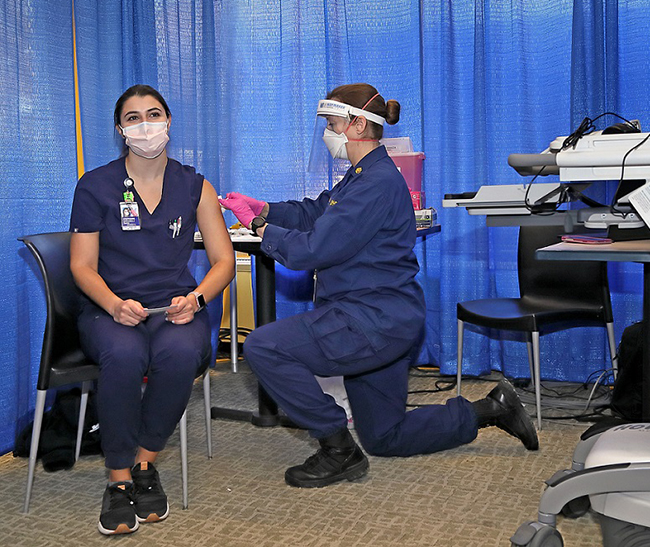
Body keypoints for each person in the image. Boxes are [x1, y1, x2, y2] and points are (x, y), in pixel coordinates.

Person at [220, 83, 537, 489]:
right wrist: (265, 208)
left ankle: (338, 449)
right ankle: (491, 409)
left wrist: (260, 228)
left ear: (355, 125)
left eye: (332, 124)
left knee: (265, 347)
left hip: (367, 321)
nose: (327, 134)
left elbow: (310, 250)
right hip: (389, 319)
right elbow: (317, 211)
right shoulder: (364, 175)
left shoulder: (375, 183)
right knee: (387, 436)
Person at [70, 84, 235, 534]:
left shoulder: (195, 186)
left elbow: (224, 262)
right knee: (123, 355)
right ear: (121, 130)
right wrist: (113, 304)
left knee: (180, 354)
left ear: (168, 122)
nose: (146, 125)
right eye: (134, 117)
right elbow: (82, 267)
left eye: (154, 114)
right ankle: (118, 478)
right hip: (110, 309)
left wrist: (197, 299)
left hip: (176, 309)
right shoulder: (95, 186)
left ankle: (145, 464)